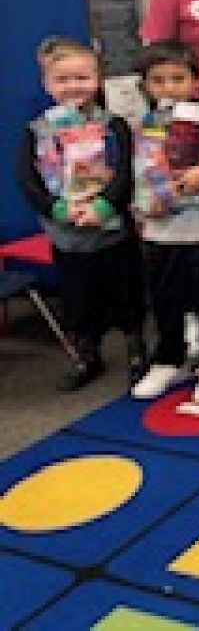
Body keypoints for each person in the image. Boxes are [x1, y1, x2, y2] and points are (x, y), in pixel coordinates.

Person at [16, 38, 144, 390]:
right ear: (47, 84)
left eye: (82, 78)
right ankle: (87, 353)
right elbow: (27, 179)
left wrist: (105, 206)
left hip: (112, 228)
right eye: (63, 79)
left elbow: (126, 171)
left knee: (125, 292)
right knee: (78, 298)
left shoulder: (113, 125)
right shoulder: (38, 131)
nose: (73, 87)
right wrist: (57, 208)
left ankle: (137, 349)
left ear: (97, 79)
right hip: (67, 231)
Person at [130, 41, 199, 404]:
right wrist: (142, 204)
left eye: (177, 78)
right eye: (158, 80)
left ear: (195, 80)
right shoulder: (141, 124)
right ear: (145, 84)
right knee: (165, 299)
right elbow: (133, 173)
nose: (168, 87)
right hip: (160, 229)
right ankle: (168, 359)